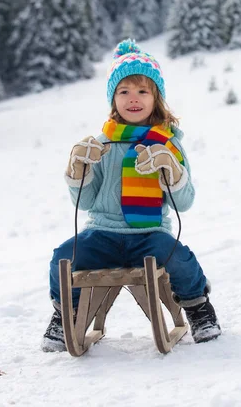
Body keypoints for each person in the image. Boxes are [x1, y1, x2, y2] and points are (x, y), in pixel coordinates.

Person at [41, 39, 221, 352]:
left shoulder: (167, 144)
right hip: (102, 235)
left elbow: (185, 202)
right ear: (113, 98)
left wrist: (172, 171)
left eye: (142, 91)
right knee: (63, 256)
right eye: (124, 91)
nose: (133, 99)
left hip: (149, 236)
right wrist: (77, 171)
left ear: (156, 98)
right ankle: (64, 315)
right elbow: (85, 202)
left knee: (178, 256)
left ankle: (198, 308)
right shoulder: (102, 143)